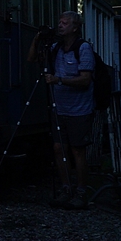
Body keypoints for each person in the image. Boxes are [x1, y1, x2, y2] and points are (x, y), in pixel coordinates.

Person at [27, 10, 94, 209]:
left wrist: (59, 80)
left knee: (77, 150)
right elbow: (31, 59)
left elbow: (85, 79)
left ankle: (81, 191)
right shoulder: (55, 48)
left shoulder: (83, 48)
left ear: (75, 27)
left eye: (65, 23)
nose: (60, 25)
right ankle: (66, 189)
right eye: (59, 22)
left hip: (79, 109)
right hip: (59, 108)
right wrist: (37, 38)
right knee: (58, 149)